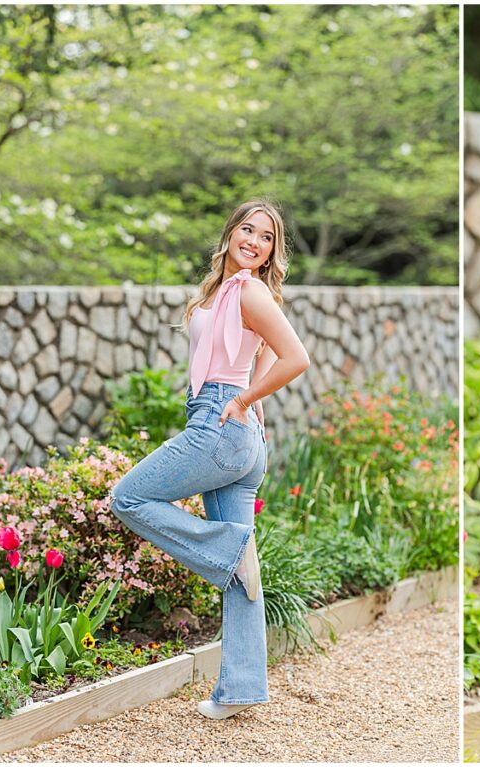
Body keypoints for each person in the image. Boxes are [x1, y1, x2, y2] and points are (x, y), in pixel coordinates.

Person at [111, 198, 310, 720]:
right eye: (248, 229)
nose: (255, 241)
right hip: (236, 434)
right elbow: (263, 352)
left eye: (266, 237)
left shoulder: (248, 289)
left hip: (221, 422)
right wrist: (252, 405)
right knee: (244, 576)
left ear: (272, 251)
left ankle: (228, 547)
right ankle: (240, 690)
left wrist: (244, 401)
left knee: (128, 496)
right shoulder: (226, 291)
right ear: (230, 234)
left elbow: (295, 358)